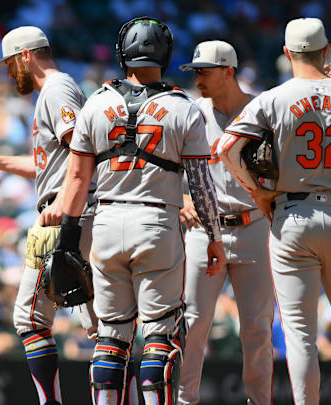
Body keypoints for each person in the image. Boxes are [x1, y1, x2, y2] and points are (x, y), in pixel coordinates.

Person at [58, 16, 227, 405]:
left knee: (112, 336)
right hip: (156, 223)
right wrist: (215, 237)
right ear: (165, 55)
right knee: (159, 336)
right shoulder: (184, 108)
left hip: (106, 223)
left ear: (122, 55)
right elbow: (200, 185)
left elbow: (76, 180)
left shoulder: (96, 103)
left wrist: (67, 240)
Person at [220, 18, 331, 405]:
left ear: (287, 53)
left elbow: (226, 148)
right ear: (325, 51)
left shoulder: (274, 97)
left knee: (300, 335)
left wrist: (258, 193)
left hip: (292, 215)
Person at [0, 26, 97, 405]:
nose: (9, 72)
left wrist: (64, 207)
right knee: (103, 327)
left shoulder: (57, 89)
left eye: (11, 63)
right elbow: (52, 161)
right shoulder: (55, 90)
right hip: (77, 210)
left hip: (67, 215)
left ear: (25, 56)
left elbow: (84, 149)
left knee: (31, 320)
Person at [176, 41, 273, 405]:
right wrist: (178, 197)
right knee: (194, 322)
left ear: (229, 71)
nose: (197, 77)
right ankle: (185, 400)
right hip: (205, 229)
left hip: (254, 227)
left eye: (204, 70)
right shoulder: (191, 112)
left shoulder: (262, 111)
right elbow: (166, 164)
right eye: (195, 71)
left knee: (257, 327)